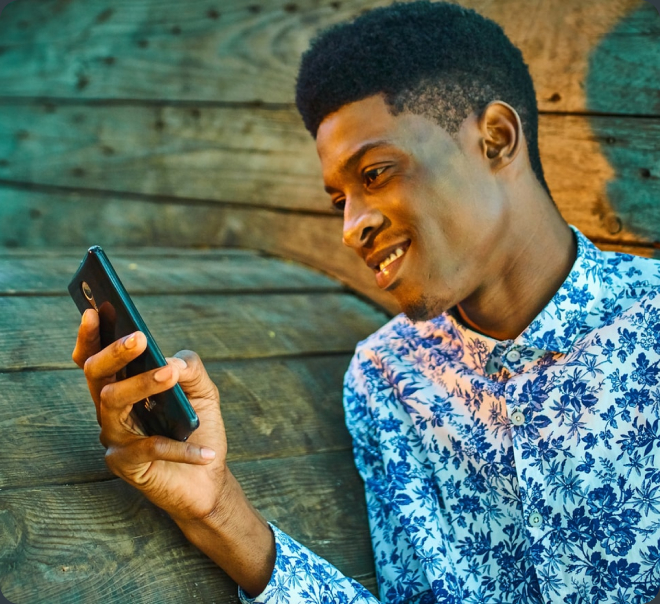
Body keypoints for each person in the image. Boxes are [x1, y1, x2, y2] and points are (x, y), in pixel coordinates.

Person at [72, 2, 660, 603]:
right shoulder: (387, 377)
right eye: (338, 201)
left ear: (495, 139)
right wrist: (218, 511)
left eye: (375, 173)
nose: (351, 227)